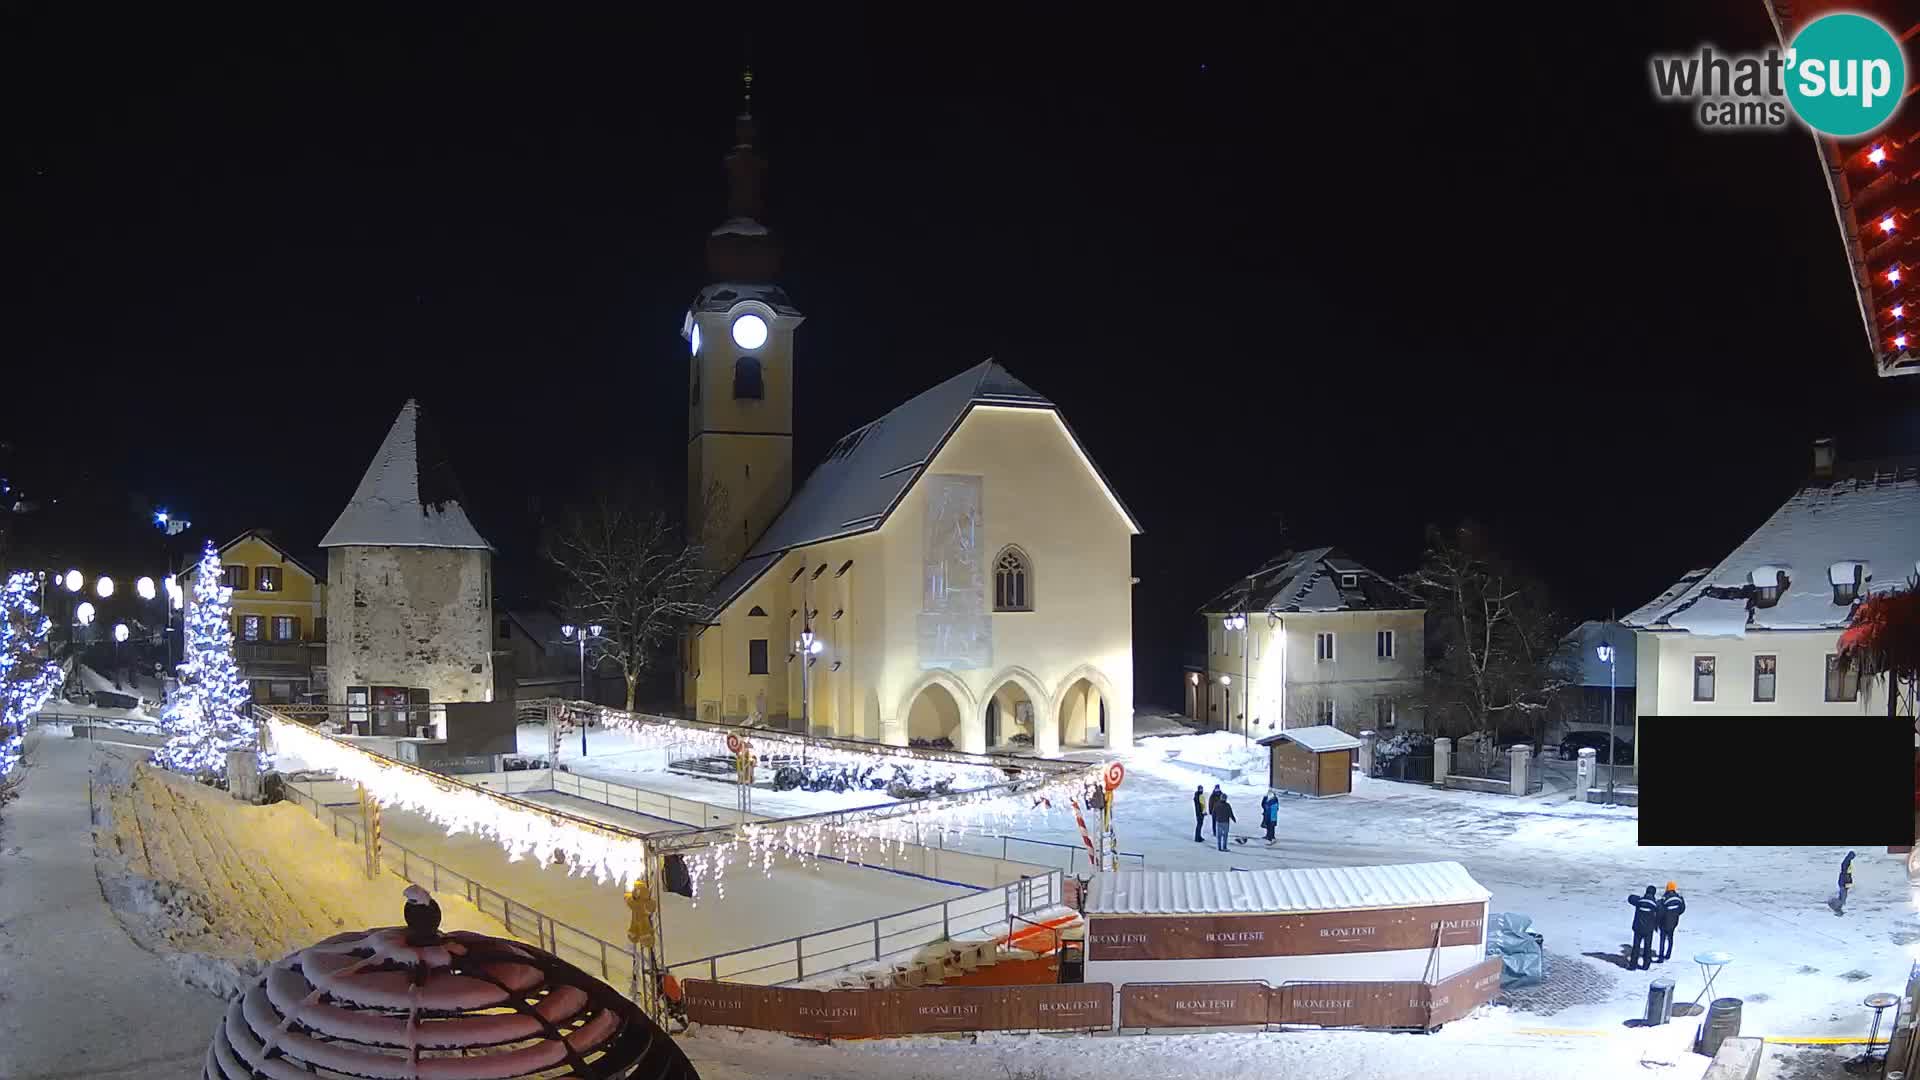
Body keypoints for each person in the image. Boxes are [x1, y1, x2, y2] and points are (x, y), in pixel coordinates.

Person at [1627, 885, 1659, 970]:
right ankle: (1646, 965)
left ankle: (1633, 965)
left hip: (1638, 928)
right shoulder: (1655, 904)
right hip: (1648, 929)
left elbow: (1630, 898)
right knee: (1647, 947)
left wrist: (1639, 897)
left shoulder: (1639, 901)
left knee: (1636, 947)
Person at [1656, 881, 1685, 963]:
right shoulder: (1679, 898)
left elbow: (1660, 911)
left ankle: (1661, 957)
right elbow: (1682, 909)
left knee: (1662, 940)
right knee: (1670, 938)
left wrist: (1658, 921)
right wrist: (1676, 915)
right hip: (1674, 922)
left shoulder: (1664, 899)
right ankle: (1668, 954)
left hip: (1664, 923)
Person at [1831, 851, 1856, 915]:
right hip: (1844, 883)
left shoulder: (1846, 863)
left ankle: (1851, 855)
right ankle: (1851, 855)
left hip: (1844, 883)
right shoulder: (1841, 902)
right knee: (1843, 897)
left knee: (1843, 897)